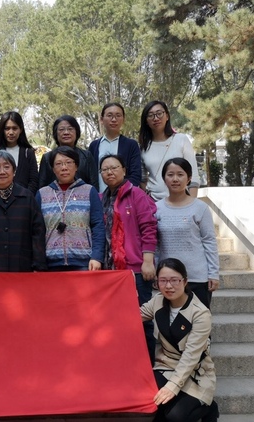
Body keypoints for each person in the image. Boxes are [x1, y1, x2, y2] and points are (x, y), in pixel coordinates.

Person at [141, 258, 219, 422]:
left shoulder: (200, 313)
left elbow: (190, 357)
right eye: (163, 280)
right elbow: (132, 316)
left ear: (185, 281)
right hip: (166, 365)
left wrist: (172, 387)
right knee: (146, 397)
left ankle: (209, 408)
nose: (169, 286)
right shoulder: (157, 301)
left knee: (175, 417)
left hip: (195, 372)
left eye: (174, 280)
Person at [100, 154, 157, 362]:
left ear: (124, 170)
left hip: (135, 270)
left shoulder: (136, 195)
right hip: (110, 271)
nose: (110, 172)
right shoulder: (101, 197)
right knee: (114, 321)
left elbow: (149, 228)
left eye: (114, 167)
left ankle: (147, 366)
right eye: (105, 169)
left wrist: (148, 261)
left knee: (142, 320)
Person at [155, 158, 219, 308]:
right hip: (168, 279)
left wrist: (213, 273)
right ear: (164, 178)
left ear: (189, 178)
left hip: (196, 277)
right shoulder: (156, 208)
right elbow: (155, 244)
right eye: (170, 174)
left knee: (199, 319)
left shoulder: (200, 208)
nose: (175, 179)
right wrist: (155, 272)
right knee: (170, 320)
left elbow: (209, 241)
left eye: (180, 174)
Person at [36, 146, 105, 271]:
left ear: (76, 166)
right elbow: (36, 231)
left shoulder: (89, 191)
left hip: (84, 262)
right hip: (50, 263)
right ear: (53, 168)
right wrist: (38, 261)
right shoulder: (42, 194)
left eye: (68, 162)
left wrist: (97, 256)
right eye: (58, 164)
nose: (64, 168)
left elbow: (98, 225)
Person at [138, 100, 199, 201]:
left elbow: (194, 176)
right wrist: (148, 198)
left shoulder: (181, 139)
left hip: (181, 201)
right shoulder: (143, 147)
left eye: (159, 113)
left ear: (167, 116)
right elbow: (142, 178)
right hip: (154, 203)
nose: (156, 118)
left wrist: (191, 204)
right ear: (146, 121)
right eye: (151, 115)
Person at [89, 102, 142, 191]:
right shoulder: (94, 146)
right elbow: (90, 174)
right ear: (101, 119)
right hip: (98, 196)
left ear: (123, 119)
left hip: (124, 196)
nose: (114, 119)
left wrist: (120, 193)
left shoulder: (131, 145)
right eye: (109, 115)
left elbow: (135, 175)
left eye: (118, 115)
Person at [39, 115, 99, 190]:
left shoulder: (86, 156)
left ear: (76, 132)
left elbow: (94, 184)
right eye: (61, 129)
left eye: (70, 129)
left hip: (82, 196)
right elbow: (41, 186)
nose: (66, 132)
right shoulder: (47, 157)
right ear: (55, 133)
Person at [0, 111, 39, 194]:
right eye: (7, 128)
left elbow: (33, 181)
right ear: (2, 130)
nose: (11, 132)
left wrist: (25, 198)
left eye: (14, 128)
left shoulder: (28, 153)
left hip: (24, 200)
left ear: (20, 129)